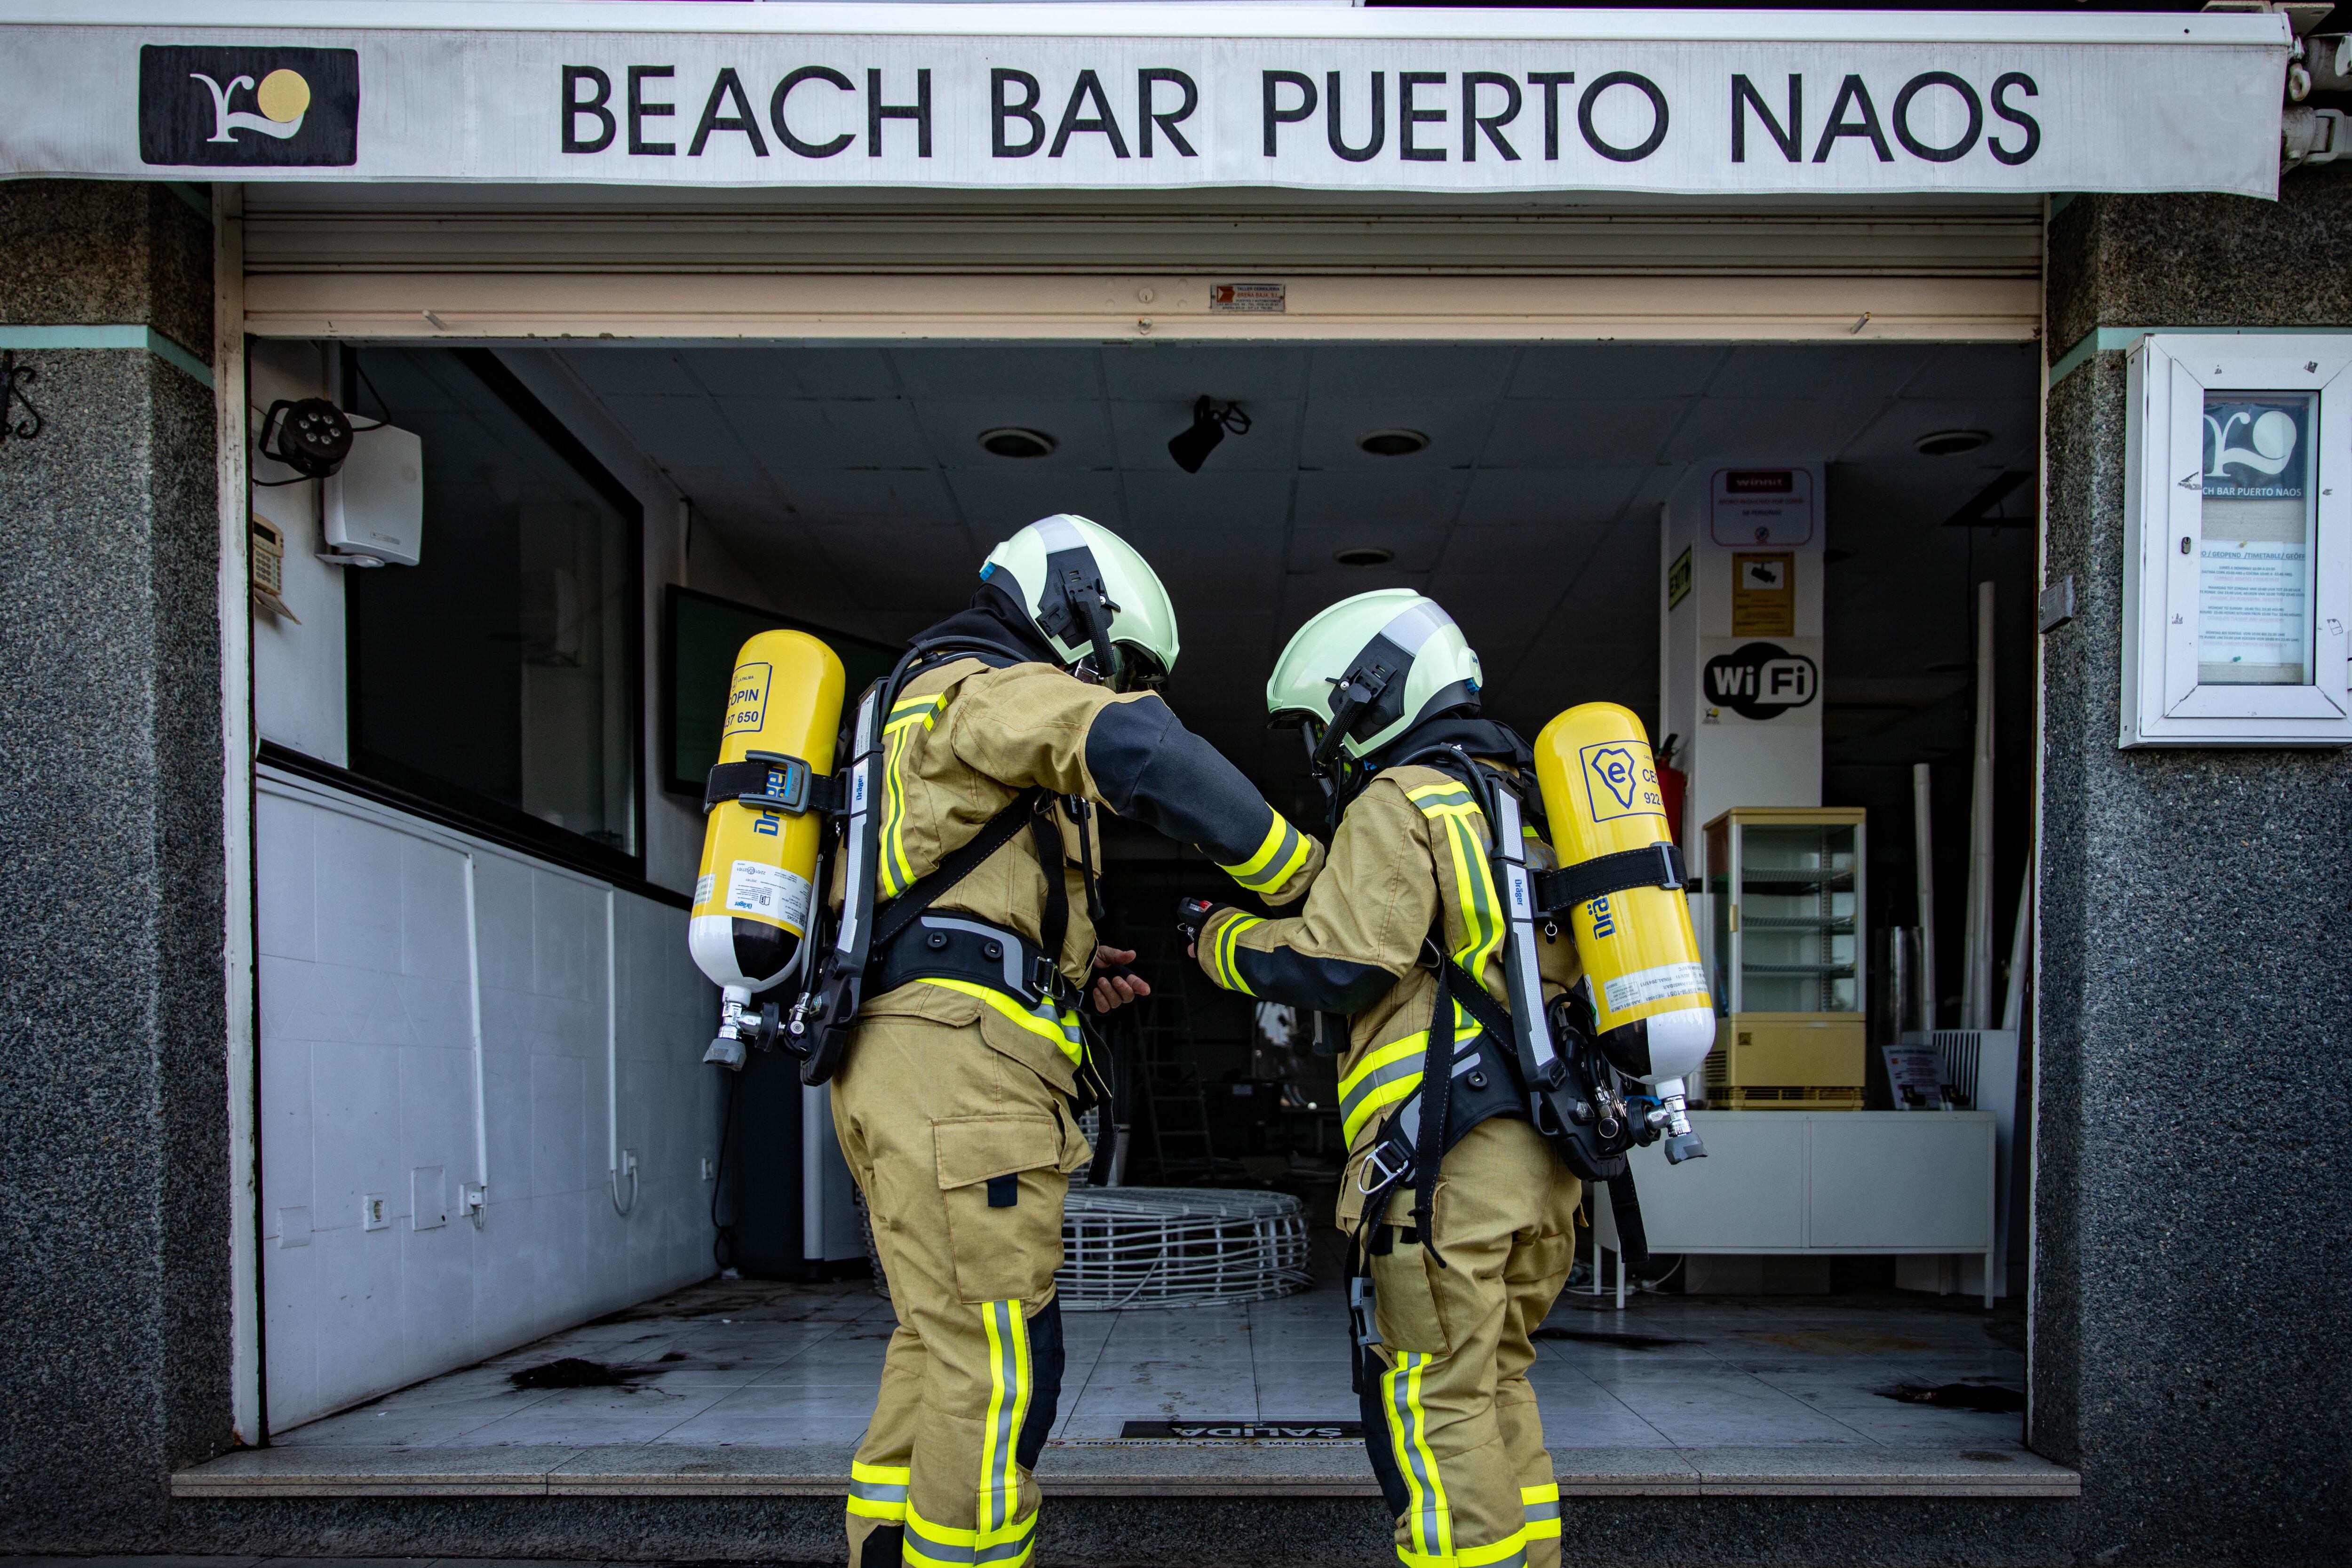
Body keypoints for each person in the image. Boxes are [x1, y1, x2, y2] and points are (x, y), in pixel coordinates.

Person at [828, 514, 1322, 1568]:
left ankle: (886, 1546)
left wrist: (1059, 970)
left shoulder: (909, 705)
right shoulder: (985, 679)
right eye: (1117, 662)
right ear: (1072, 612)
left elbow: (942, 903)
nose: (1114, 680)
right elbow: (1135, 746)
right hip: (959, 1085)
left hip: (906, 1060)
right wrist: (1299, 876)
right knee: (1005, 1367)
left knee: (939, 1341)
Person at [1185, 589, 1583, 1568]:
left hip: (1450, 1160)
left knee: (1431, 1399)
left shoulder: (1406, 796)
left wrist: (1217, 940)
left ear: (1367, 694)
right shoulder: (1523, 804)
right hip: (1546, 1165)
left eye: (1323, 721)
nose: (1324, 745)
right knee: (1496, 1382)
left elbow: (1342, 962)